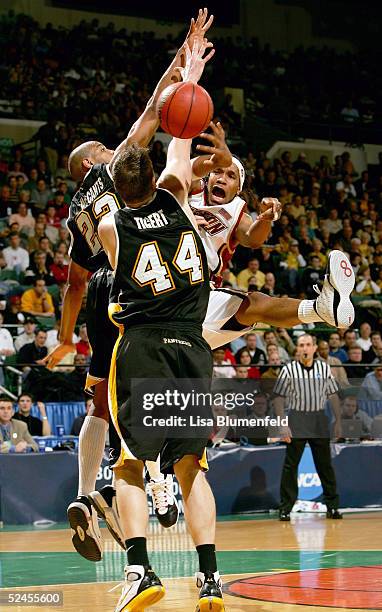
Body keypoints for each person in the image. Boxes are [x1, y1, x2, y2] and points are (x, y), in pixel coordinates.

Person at [43, 9, 215, 563]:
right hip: (143, 279)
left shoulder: (76, 211)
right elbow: (156, 109)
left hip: (100, 290)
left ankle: (85, 489)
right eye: (100, 146)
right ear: (94, 160)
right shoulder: (115, 167)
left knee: (102, 396)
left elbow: (73, 283)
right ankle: (162, 477)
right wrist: (185, 65)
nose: (109, 146)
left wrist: (65, 338)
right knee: (168, 372)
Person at [100, 132, 223, 610]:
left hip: (144, 346)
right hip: (191, 347)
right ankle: (209, 578)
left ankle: (139, 570)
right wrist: (189, 79)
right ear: (156, 178)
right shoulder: (177, 199)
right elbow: (180, 145)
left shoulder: (113, 226)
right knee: (191, 466)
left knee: (129, 465)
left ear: (117, 188)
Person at [273, 334, 343, 521]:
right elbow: (278, 399)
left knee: (325, 465)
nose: (305, 348)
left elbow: (333, 395)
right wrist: (282, 424)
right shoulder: (289, 370)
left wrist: (338, 420)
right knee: (290, 466)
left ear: (314, 348)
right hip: (297, 418)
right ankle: (286, 507)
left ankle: (333, 507)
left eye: (308, 345)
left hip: (318, 418)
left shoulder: (323, 367)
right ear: (297, 349)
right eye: (301, 345)